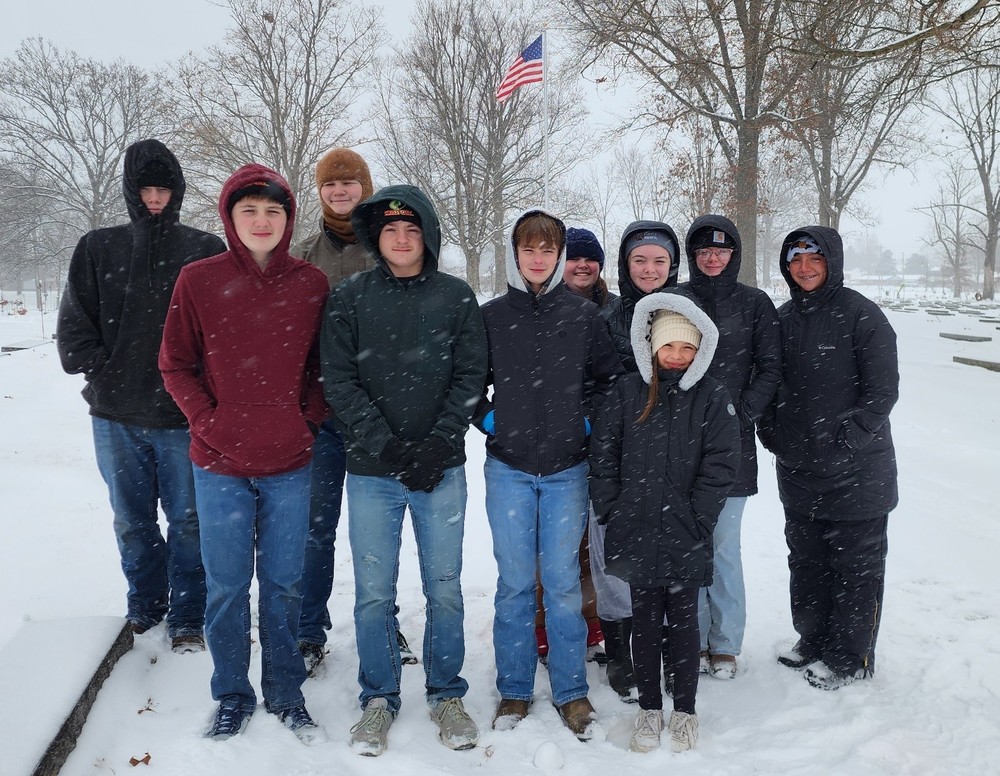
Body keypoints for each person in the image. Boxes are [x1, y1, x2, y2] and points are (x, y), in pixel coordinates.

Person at [159, 164, 330, 744]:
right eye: (250, 210)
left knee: (283, 585)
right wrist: (209, 420)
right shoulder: (199, 280)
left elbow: (320, 369)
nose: (262, 221)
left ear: (288, 221)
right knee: (227, 585)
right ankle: (232, 692)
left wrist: (305, 414)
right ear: (230, 217)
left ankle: (285, 691)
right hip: (219, 464)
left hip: (289, 463)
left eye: (274, 212)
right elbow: (174, 363)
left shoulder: (310, 283)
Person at [322, 186, 487, 756]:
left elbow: (471, 377)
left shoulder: (456, 298)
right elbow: (339, 380)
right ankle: (378, 698)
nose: (400, 238)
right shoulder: (350, 298)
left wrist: (437, 445)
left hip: (440, 472)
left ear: (427, 236)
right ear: (376, 236)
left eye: (411, 230)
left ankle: (446, 692)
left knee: (444, 589)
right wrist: (386, 447)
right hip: (372, 472)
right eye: (390, 230)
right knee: (373, 592)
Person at [56, 138, 225, 652]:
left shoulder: (203, 250)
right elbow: (74, 328)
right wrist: (104, 371)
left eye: (164, 188)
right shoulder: (98, 247)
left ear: (178, 191)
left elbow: (223, 334)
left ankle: (189, 615)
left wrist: (205, 392)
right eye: (146, 188)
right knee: (131, 520)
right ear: (130, 192)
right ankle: (146, 607)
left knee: (190, 521)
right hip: (115, 415)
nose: (155, 198)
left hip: (182, 418)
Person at [476, 210, 622, 741]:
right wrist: (490, 418)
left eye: (547, 250)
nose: (538, 259)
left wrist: (582, 421)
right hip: (509, 469)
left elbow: (607, 383)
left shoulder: (583, 318)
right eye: (528, 249)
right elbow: (469, 379)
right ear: (516, 254)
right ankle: (514, 690)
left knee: (561, 583)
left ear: (559, 257)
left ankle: (570, 691)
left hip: (566, 469)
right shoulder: (492, 316)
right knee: (514, 583)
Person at [589, 290, 740, 753]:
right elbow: (605, 456)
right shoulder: (627, 392)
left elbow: (721, 463)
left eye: (687, 348)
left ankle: (687, 710)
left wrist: (699, 515)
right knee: (645, 622)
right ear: (651, 345)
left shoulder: (712, 397)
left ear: (700, 350)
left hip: (686, 532)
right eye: (669, 346)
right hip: (635, 528)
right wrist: (612, 509)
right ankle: (650, 708)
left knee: (685, 623)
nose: (676, 356)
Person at [758, 227, 899, 691]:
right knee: (807, 562)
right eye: (796, 259)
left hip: (857, 473)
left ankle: (850, 656)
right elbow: (768, 384)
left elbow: (882, 393)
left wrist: (848, 439)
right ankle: (813, 639)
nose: (804, 267)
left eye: (813, 259)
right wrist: (771, 432)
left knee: (855, 568)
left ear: (831, 262)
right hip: (798, 471)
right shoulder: (780, 320)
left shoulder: (863, 316)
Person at [294, 147, 416, 673]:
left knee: (379, 531)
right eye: (331, 185)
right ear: (319, 191)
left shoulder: (389, 250)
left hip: (381, 419)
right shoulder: (301, 256)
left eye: (350, 183)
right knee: (316, 528)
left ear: (365, 188)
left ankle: (384, 622)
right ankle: (307, 629)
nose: (341, 192)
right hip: (321, 418)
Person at [682, 215, 781, 679]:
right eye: (703, 252)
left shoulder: (755, 304)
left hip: (733, 444)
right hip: (682, 442)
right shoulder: (679, 299)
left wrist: (741, 413)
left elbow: (769, 367)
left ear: (734, 254)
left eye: (721, 251)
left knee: (722, 545)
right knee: (689, 545)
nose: (712, 258)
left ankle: (724, 642)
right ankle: (692, 637)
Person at [594, 220, 681, 701]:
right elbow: (594, 382)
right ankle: (620, 652)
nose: (649, 269)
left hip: (672, 457)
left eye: (659, 260)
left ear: (673, 266)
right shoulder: (605, 316)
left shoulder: (685, 312)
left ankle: (666, 649)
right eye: (639, 260)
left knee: (667, 558)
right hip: (616, 454)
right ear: (625, 265)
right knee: (613, 556)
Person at [533, 226, 615, 665]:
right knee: (550, 543)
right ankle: (543, 623)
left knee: (589, 544)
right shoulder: (542, 306)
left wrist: (594, 419)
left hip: (600, 439)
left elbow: (613, 375)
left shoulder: (614, 310)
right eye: (574, 258)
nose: (582, 265)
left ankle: (590, 619)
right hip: (550, 443)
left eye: (590, 258)